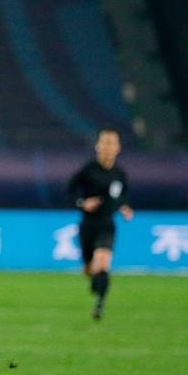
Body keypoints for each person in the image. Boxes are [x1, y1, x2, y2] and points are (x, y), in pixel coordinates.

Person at [67, 128, 133, 320]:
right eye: (105, 142)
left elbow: (121, 196)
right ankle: (95, 279)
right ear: (98, 146)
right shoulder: (88, 170)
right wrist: (82, 203)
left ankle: (99, 305)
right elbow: (71, 190)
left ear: (118, 147)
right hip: (88, 225)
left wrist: (124, 207)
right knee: (90, 269)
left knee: (103, 263)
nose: (108, 147)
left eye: (112, 143)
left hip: (107, 225)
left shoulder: (120, 174)